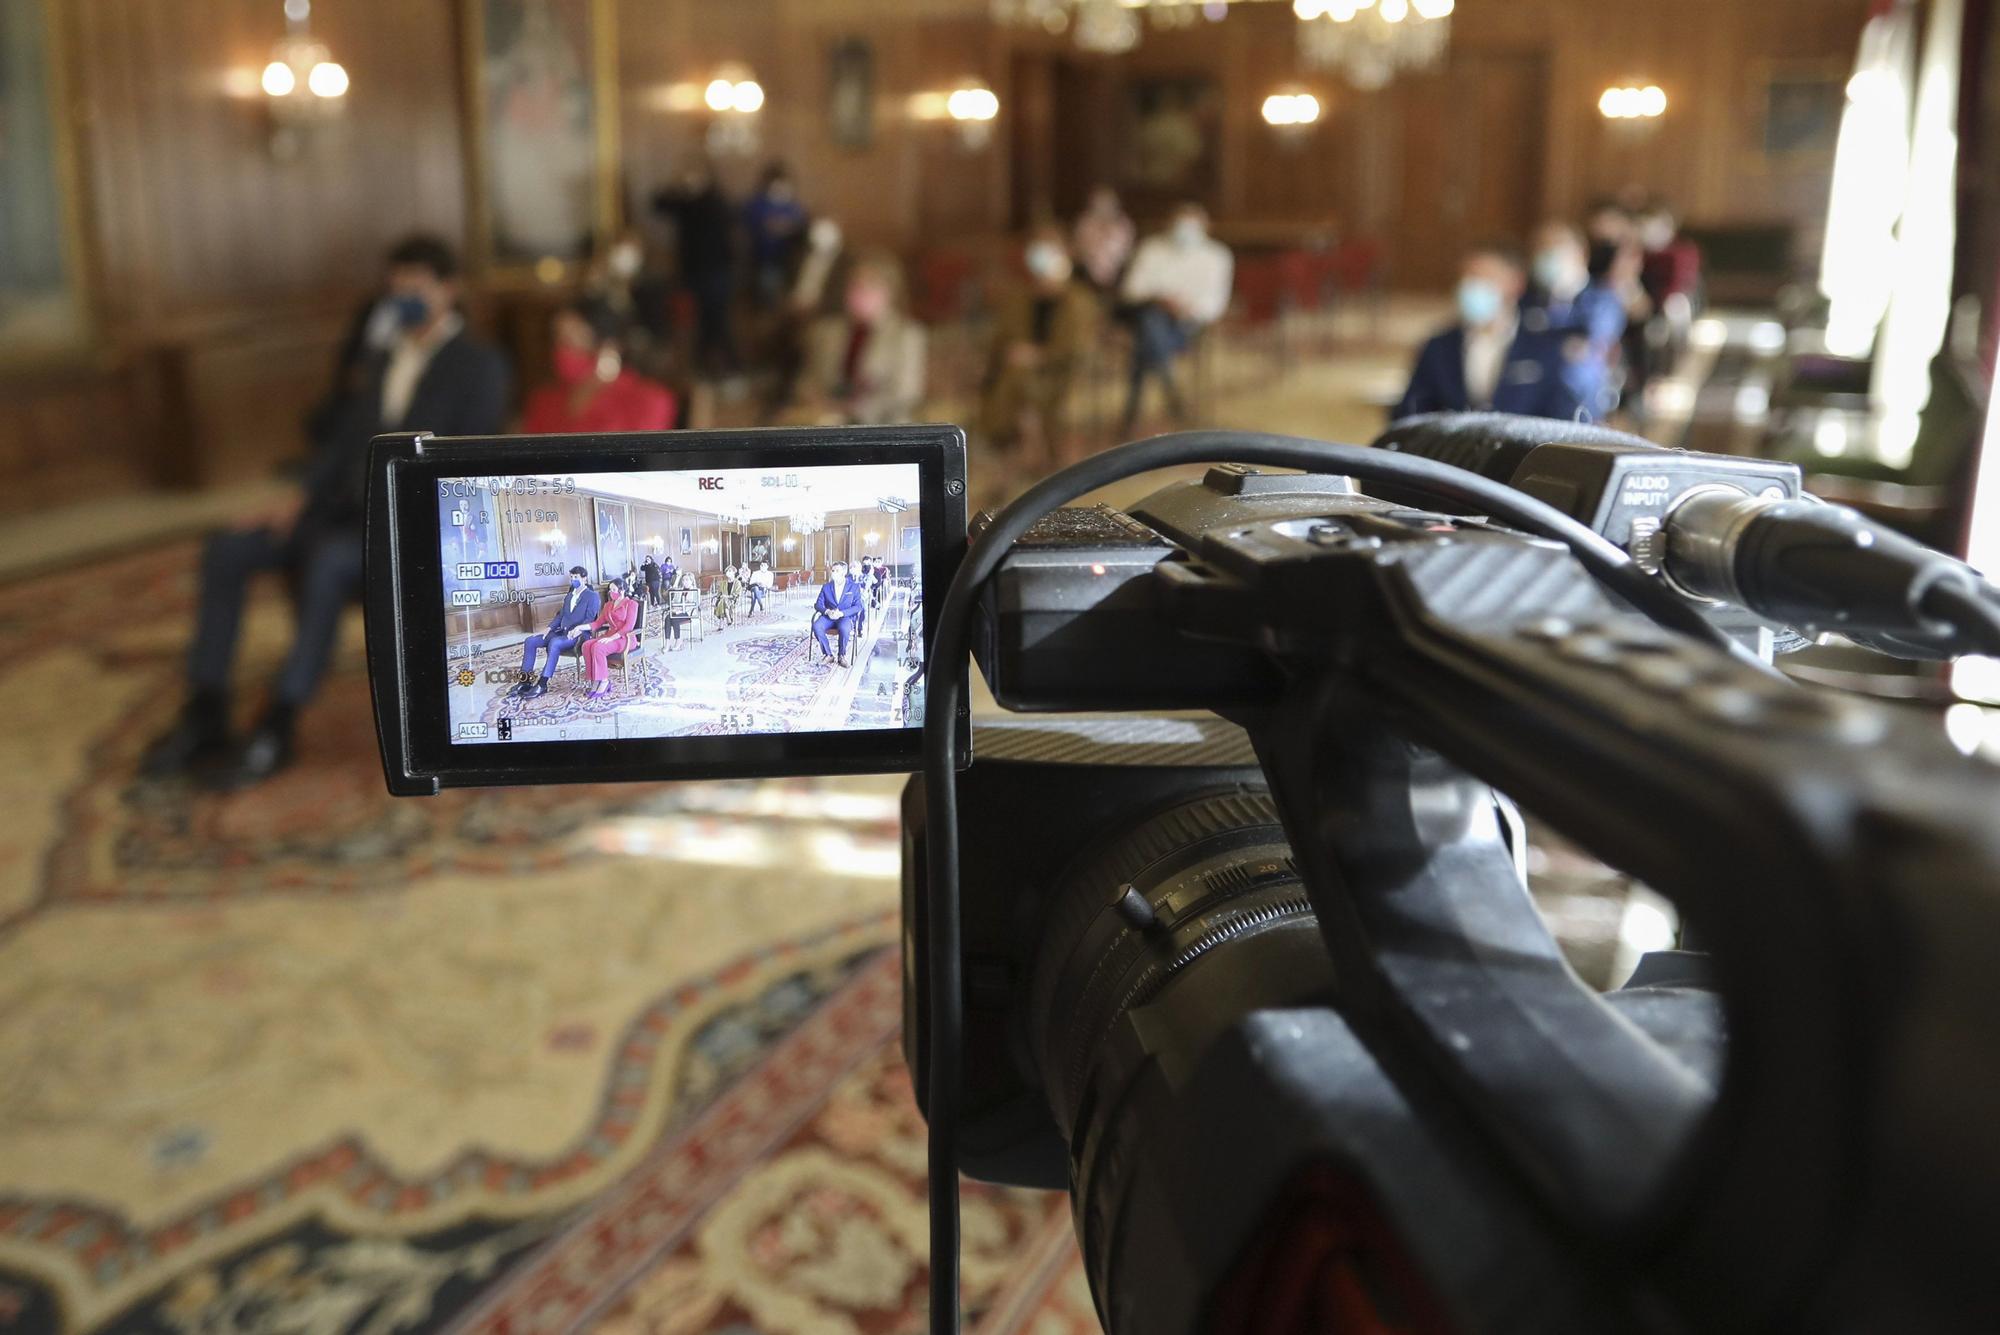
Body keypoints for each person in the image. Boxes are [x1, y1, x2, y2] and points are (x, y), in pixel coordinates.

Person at [142, 234, 508, 788]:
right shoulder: (382, 355)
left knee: (329, 562)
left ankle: (277, 723)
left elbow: (462, 467)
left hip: (407, 527)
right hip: (336, 509)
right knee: (226, 548)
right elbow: (339, 443)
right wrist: (296, 497)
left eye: (416, 287)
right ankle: (207, 707)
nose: (403, 297)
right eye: (396, 287)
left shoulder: (481, 366)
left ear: (448, 289)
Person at [1392, 241, 1586, 423]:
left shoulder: (1544, 347)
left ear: (1515, 284)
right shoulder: (1439, 347)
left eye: (1484, 278)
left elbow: (1565, 417)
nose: (1471, 287)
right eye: (1466, 278)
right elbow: (1410, 414)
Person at [980, 226, 1101, 474]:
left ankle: (1021, 442)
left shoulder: (1078, 301)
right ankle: (1027, 437)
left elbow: (1077, 348)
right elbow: (1001, 339)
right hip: (1021, 371)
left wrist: (1037, 355)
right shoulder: (1019, 298)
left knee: (1016, 378)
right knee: (1016, 375)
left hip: (1062, 374)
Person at [1118, 203, 1234, 435]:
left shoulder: (1217, 256)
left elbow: (1215, 304)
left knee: (1147, 337)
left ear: (1205, 226)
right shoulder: (1152, 248)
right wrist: (1162, 299)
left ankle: (1133, 410)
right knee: (1151, 321)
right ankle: (1172, 394)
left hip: (1187, 325)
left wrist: (1186, 307)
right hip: (1149, 314)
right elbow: (1131, 289)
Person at [798, 254, 928, 425]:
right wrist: (820, 404)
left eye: (869, 287)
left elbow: (907, 392)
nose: (859, 294)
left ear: (889, 292)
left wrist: (855, 409)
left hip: (883, 425)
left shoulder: (906, 334)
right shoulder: (827, 332)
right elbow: (808, 381)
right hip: (827, 421)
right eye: (854, 287)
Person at [521, 296, 675, 435]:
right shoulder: (543, 401)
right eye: (557, 339)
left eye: (572, 341)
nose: (562, 350)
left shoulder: (650, 400)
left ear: (608, 345)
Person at [1522, 220, 1628, 419]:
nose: (1547, 255)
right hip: (1532, 405)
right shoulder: (1526, 301)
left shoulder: (1602, 299)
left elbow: (1585, 346)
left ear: (1580, 254)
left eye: (1556, 248)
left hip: (1582, 403)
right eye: (1541, 250)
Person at [653, 161, 739, 376]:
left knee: (717, 322)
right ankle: (706, 369)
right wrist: (678, 186)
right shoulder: (685, 201)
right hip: (693, 273)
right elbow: (659, 204)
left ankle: (728, 368)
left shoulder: (715, 202)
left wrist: (690, 193)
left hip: (717, 273)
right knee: (696, 323)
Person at [510, 565, 602, 700]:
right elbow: (560, 616)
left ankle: (543, 683)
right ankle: (525, 681)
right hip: (562, 631)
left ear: (584, 578)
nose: (573, 580)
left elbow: (590, 618)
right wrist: (548, 628)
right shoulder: (570, 595)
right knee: (530, 641)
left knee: (554, 643)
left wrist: (578, 629)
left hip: (579, 635)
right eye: (571, 577)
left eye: (576, 577)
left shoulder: (592, 596)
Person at [743, 162, 809, 310]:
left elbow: (801, 223)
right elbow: (753, 222)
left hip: (788, 258)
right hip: (765, 257)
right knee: (767, 292)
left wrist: (788, 227)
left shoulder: (792, 204)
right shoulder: (758, 203)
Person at [580, 580, 640, 699]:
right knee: (586, 645)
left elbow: (629, 627)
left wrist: (612, 638)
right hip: (610, 636)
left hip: (625, 638)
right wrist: (579, 627)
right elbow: (598, 623)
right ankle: (595, 680)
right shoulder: (608, 605)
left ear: (622, 590)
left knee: (598, 647)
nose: (610, 592)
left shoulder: (631, 604)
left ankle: (604, 682)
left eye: (613, 590)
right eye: (610, 589)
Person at [1073, 186, 1136, 292]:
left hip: (1118, 274)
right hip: (1086, 274)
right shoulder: (1085, 223)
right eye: (1100, 203)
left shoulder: (1124, 225)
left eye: (1107, 203)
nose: (1104, 207)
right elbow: (1080, 248)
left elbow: (1126, 250)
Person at [812, 559, 865, 667]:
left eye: (837, 570)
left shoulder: (853, 587)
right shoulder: (826, 587)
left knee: (844, 628)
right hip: (829, 616)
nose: (833, 572)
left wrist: (842, 613)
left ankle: (841, 655)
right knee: (817, 626)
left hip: (844, 616)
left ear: (844, 572)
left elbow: (858, 606)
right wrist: (827, 611)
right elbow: (818, 604)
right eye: (833, 570)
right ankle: (828, 654)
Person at [663, 570, 697, 649]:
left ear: (691, 581)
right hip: (677, 611)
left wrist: (680, 611)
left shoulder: (694, 590)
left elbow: (694, 605)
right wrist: (674, 609)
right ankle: (667, 642)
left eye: (687, 580)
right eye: (683, 580)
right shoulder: (680, 590)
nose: (685, 582)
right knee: (667, 618)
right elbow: (674, 601)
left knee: (674, 618)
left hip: (688, 613)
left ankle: (678, 639)